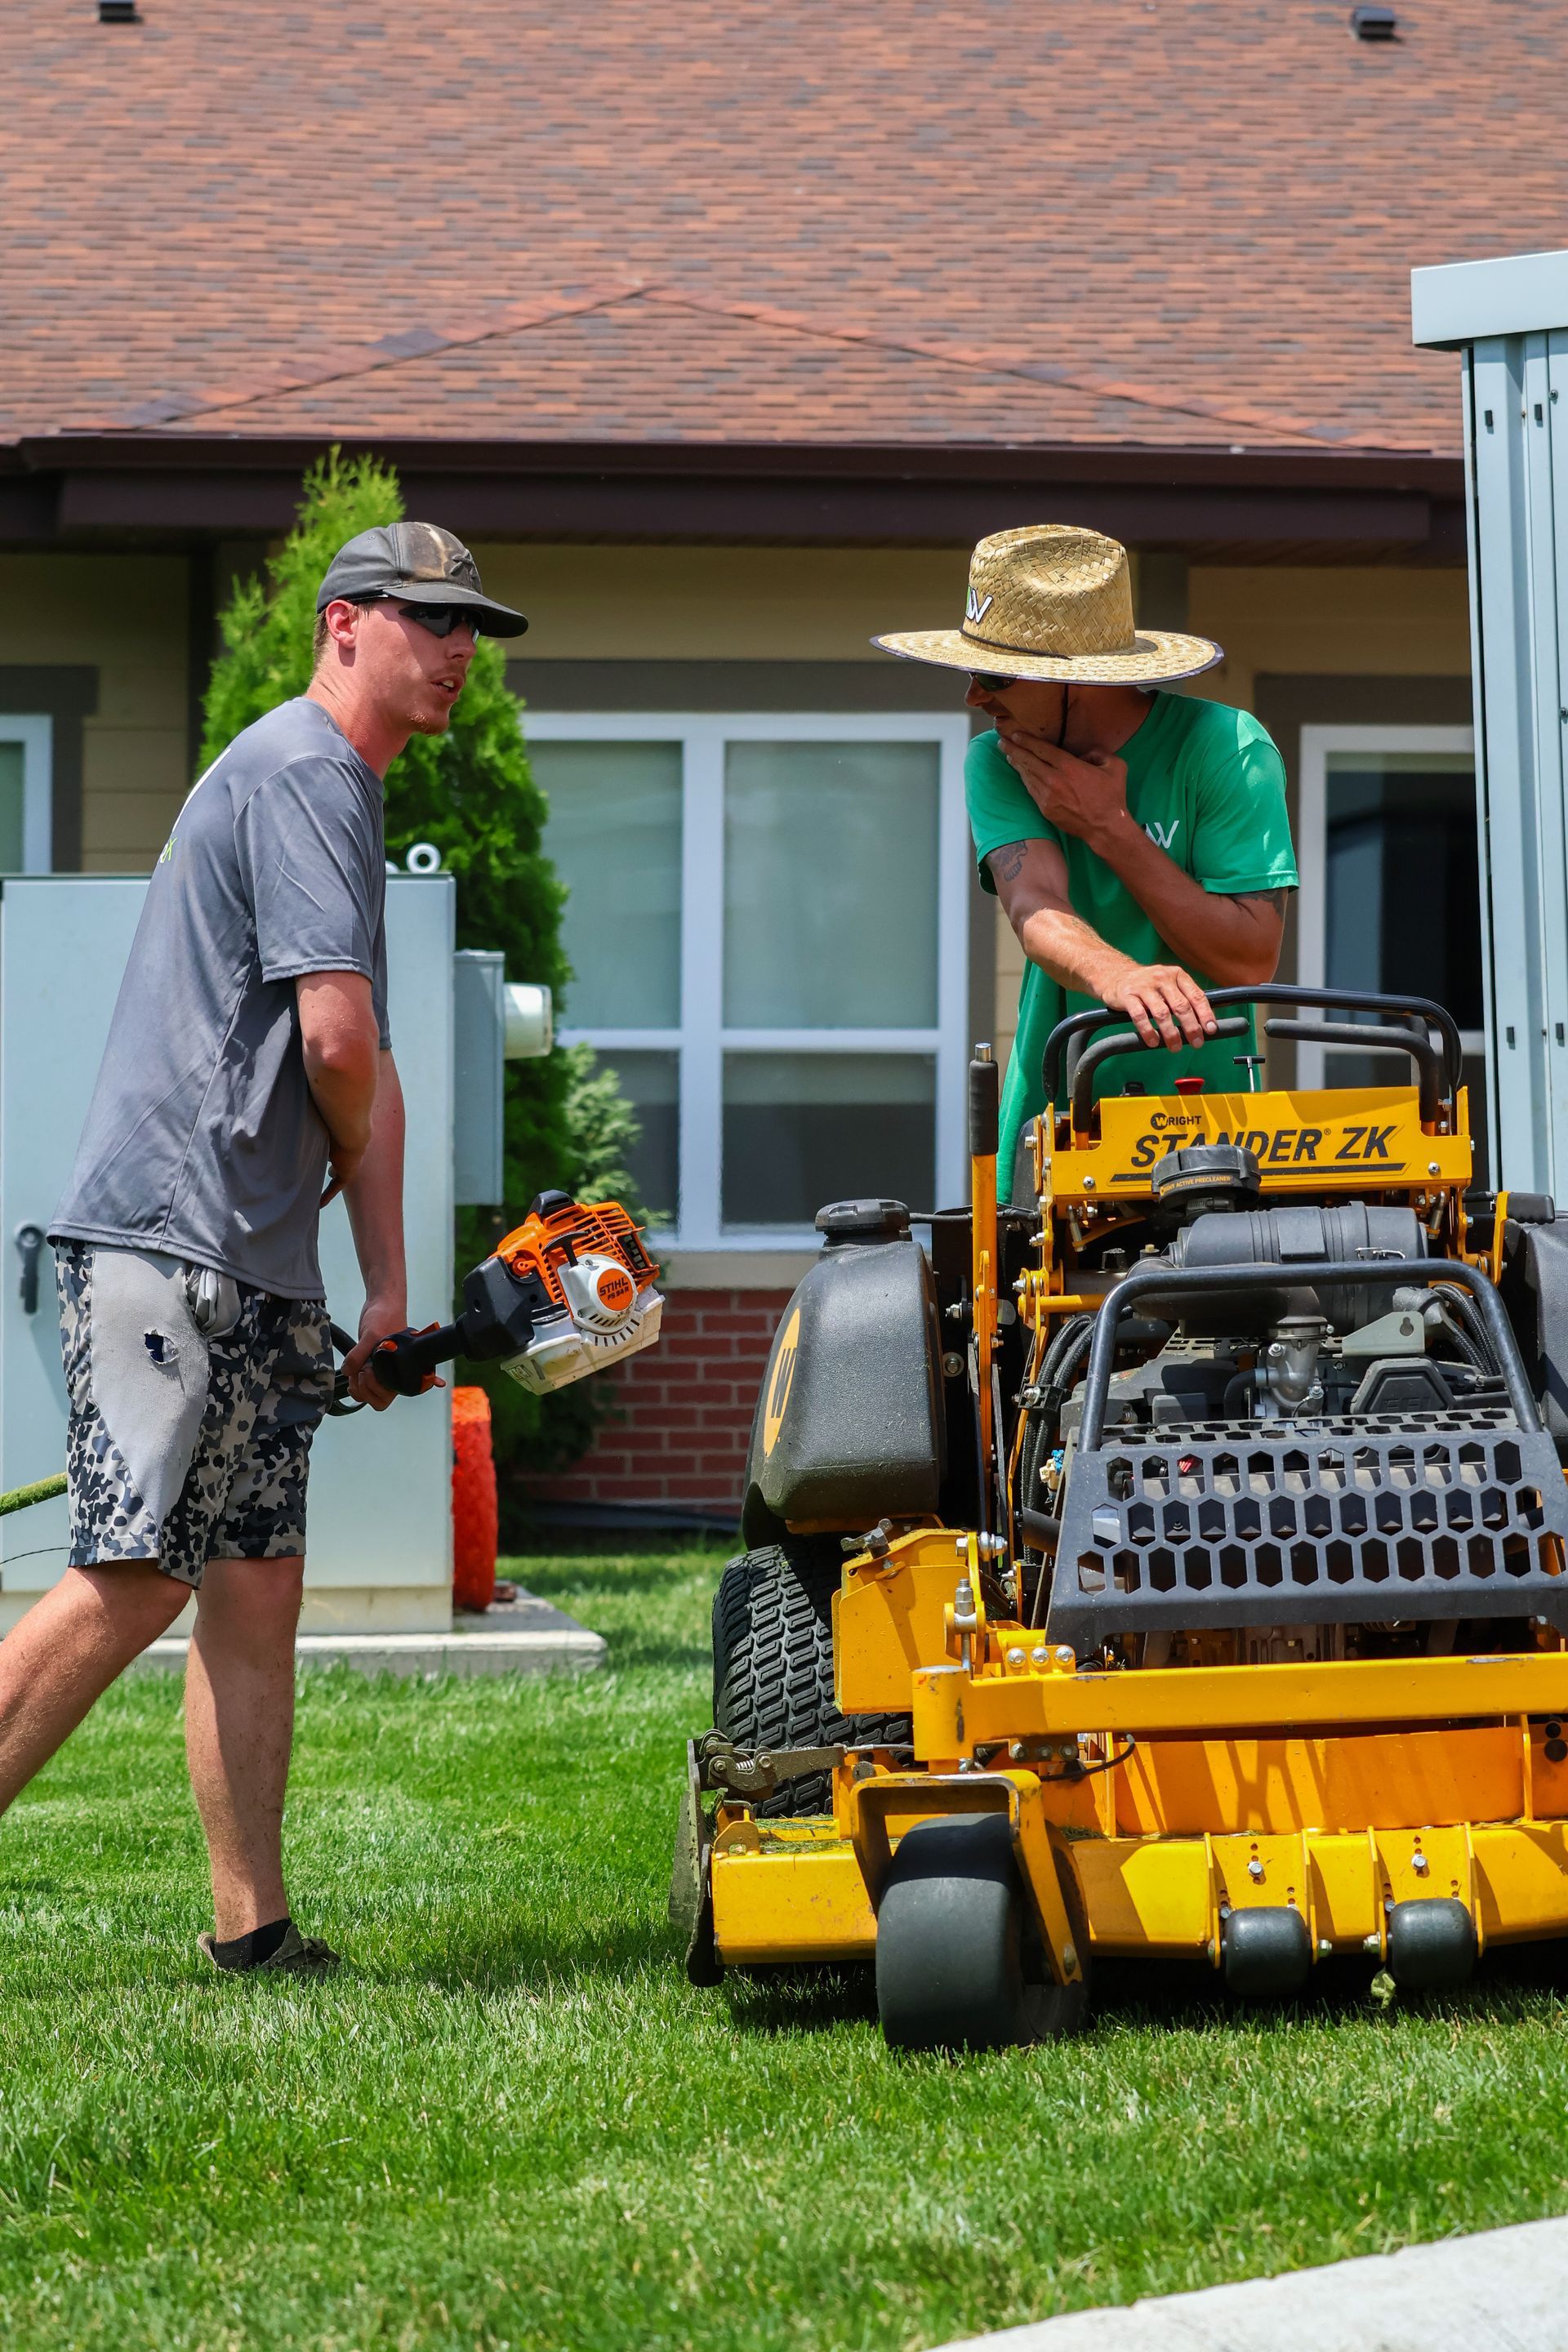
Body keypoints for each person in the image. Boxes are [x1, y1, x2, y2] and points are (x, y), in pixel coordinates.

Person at [0, 523, 527, 1972]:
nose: (460, 650)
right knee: (139, 1569)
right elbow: (338, 1047)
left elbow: (372, 1069)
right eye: (431, 620)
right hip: (175, 1243)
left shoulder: (336, 788)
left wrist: (386, 1292)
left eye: (472, 627)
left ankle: (254, 1928)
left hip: (250, 1260)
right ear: (344, 623)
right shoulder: (306, 770)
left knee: (253, 1576)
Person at [875, 523, 1297, 1201]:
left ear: (1078, 679)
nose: (974, 697)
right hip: (1057, 1129)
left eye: (994, 675)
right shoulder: (997, 759)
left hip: (1215, 1139)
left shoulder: (1226, 747)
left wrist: (1110, 829)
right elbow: (1034, 905)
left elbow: (1250, 960)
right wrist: (1119, 976)